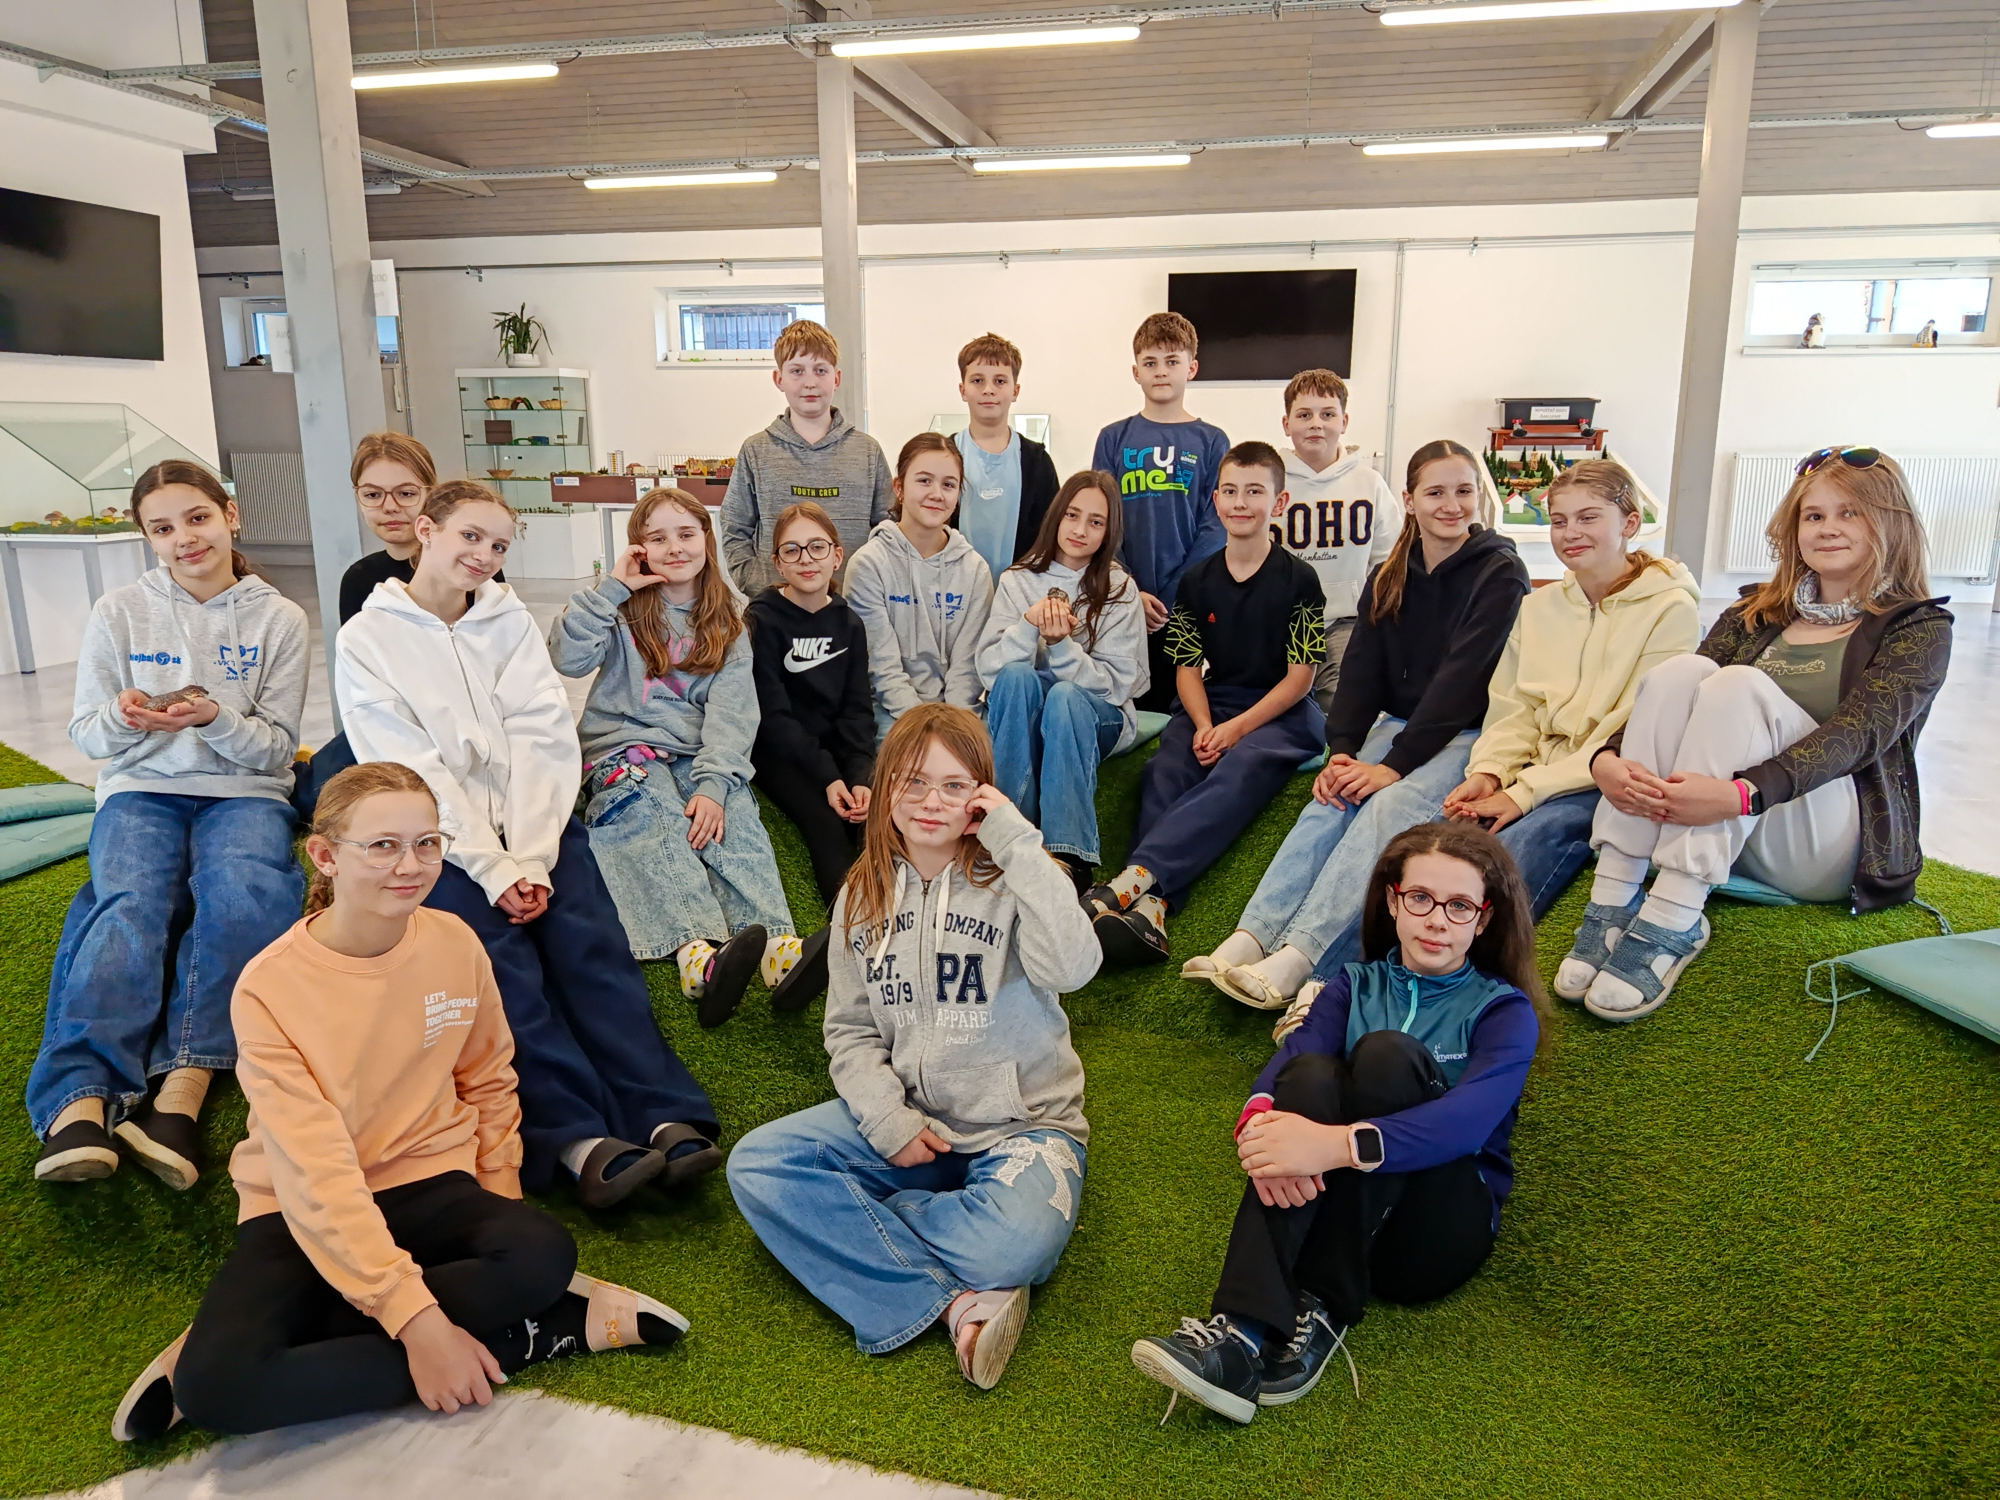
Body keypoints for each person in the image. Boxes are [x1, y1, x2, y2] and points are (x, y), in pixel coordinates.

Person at [110, 764, 689, 1443]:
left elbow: (488, 1078)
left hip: (429, 1179)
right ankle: (525, 1337)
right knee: (216, 1389)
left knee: (541, 1257)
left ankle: (299, 1328)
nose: (410, 866)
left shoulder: (455, 941)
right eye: (382, 845)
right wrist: (420, 1326)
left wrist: (502, 1199)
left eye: (426, 843)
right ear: (325, 855)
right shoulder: (268, 988)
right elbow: (315, 1170)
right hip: (303, 1202)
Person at [336, 480, 721, 1210]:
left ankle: (662, 1112)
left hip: (536, 829)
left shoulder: (507, 620)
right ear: (426, 529)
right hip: (443, 846)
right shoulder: (367, 638)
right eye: (469, 536)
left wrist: (535, 857)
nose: (484, 555)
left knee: (592, 950)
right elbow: (410, 768)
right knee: (504, 976)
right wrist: (491, 866)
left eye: (498, 545)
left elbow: (544, 735)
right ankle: (575, 1142)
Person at [726, 705, 1098, 1391]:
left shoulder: (1016, 878)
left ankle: (864, 1223)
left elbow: (1075, 967)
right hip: (915, 1126)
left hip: (1022, 1128)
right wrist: (888, 1120)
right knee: (759, 1166)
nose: (932, 802)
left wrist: (1017, 843)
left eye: (955, 785)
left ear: (983, 795)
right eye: (914, 781)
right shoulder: (860, 895)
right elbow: (850, 1029)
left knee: (1012, 1244)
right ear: (887, 786)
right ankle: (957, 1304)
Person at [1130, 823, 1546, 1425]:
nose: (1437, 920)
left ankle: (1324, 1301)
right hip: (1330, 1212)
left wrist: (1330, 1145)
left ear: (1483, 921)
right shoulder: (1353, 984)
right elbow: (1287, 1067)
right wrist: (1263, 1137)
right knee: (1308, 1075)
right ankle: (1239, 1337)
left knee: (1387, 1057)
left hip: (1428, 1238)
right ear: (1393, 902)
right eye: (1421, 898)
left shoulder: (1503, 1009)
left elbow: (1464, 1127)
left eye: (1459, 906)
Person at [1559, 446, 1952, 1020]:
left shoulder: (1918, 627)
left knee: (1737, 685)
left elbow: (1860, 734)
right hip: (1728, 833)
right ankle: (1612, 900)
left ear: (1890, 522)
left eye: (1850, 512)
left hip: (1822, 840)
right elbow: (1669, 701)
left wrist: (1742, 794)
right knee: (1684, 672)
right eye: (1813, 515)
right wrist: (1608, 759)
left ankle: (1673, 918)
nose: (1828, 528)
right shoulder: (1755, 611)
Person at [30, 460, 307, 1189]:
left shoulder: (280, 618)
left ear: (230, 516)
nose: (185, 538)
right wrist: (124, 719)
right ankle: (79, 1100)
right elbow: (88, 734)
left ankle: (182, 1089)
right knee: (129, 902)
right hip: (140, 788)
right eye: (162, 528)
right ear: (147, 537)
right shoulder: (118, 611)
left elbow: (279, 748)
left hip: (246, 793)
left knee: (245, 894)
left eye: (198, 517)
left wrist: (214, 718)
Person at [1190, 439, 1530, 1031]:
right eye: (1436, 492)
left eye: (1464, 491)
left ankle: (1299, 957)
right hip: (1394, 727)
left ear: (1479, 496)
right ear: (1409, 500)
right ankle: (1252, 937)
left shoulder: (1500, 571)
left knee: (1387, 809)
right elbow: (1361, 671)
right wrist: (1343, 752)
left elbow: (1461, 679)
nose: (1451, 505)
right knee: (1329, 802)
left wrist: (1390, 767)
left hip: (1465, 733)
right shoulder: (1388, 571)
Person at [550, 487, 827, 1027]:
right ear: (638, 548)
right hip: (622, 749)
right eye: (657, 538)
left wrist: (715, 785)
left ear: (707, 538)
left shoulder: (731, 619)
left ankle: (777, 947)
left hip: (694, 751)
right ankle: (695, 954)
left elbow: (733, 713)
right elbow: (567, 658)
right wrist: (612, 588)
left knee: (734, 819)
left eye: (685, 533)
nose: (675, 547)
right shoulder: (619, 607)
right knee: (652, 818)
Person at [1085, 442, 1325, 966]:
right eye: (1231, 491)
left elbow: (1300, 678)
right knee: (1165, 769)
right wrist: (1201, 723)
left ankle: (1135, 879)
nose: (1241, 502)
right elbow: (1187, 668)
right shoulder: (1197, 581)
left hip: (1281, 712)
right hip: (1213, 702)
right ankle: (1152, 911)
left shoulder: (1301, 580)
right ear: (1215, 500)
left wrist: (1234, 731)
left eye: (1255, 492)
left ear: (1279, 503)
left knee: (1238, 770)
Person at [1436, 460, 1701, 923]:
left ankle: (1466, 960)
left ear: (1630, 523)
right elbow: (1515, 707)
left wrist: (1525, 793)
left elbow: (1631, 731)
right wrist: (1492, 772)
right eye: (1559, 521)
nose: (1570, 532)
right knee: (1434, 843)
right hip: (1536, 768)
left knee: (1515, 849)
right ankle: (1359, 964)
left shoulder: (1670, 608)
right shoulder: (1538, 607)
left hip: (1602, 779)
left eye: (1588, 517)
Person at [300, 433, 488, 821]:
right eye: (373, 495)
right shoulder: (359, 578)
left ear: (431, 494)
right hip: (391, 719)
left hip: (462, 720)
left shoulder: (469, 567)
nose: (389, 507)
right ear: (358, 497)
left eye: (405, 493)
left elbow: (488, 665)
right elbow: (362, 678)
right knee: (309, 796)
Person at [977, 471, 1148, 894]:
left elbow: (1118, 685)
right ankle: (1007, 833)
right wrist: (1026, 628)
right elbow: (991, 671)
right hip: (1028, 704)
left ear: (1109, 531)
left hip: (1097, 714)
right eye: (1072, 515)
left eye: (1095, 521)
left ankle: (1069, 855)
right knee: (1016, 675)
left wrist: (1061, 647)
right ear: (1056, 515)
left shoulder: (1121, 588)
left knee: (1065, 696)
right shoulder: (1017, 579)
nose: (1080, 530)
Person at [1092, 311, 1230, 713]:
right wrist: (1128, 588)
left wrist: (1173, 596)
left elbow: (1215, 525)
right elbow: (1101, 518)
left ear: (1192, 368)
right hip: (1122, 599)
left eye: (1172, 361)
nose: (1161, 371)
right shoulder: (1113, 438)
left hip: (1185, 603)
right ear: (1136, 372)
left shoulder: (1212, 441)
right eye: (1150, 362)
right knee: (1126, 705)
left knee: (1178, 708)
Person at [745, 501, 879, 905]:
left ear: (837, 556)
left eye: (817, 547)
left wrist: (859, 776)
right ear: (778, 563)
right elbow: (773, 717)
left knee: (873, 819)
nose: (806, 558)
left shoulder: (850, 624)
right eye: (792, 549)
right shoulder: (763, 620)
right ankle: (848, 922)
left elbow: (858, 710)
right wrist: (828, 778)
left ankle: (899, 913)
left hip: (835, 749)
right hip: (782, 754)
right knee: (826, 824)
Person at [721, 319, 895, 595]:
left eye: (820, 370)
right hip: (776, 609)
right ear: (779, 379)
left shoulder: (867, 452)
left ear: (836, 378)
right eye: (797, 371)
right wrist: (756, 584)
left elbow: (888, 528)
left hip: (853, 605)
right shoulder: (756, 451)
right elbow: (734, 526)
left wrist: (874, 587)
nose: (810, 382)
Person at [1270, 370, 1403, 717]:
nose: (1316, 423)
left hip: (1346, 622)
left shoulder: (1370, 484)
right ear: (1286, 424)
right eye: (1304, 414)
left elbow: (1389, 561)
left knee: (1344, 706)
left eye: (1327, 414)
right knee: (1276, 706)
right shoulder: (1269, 482)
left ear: (1344, 422)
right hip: (1281, 623)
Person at [845, 433, 995, 738]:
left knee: (976, 759)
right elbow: (882, 669)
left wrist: (951, 729)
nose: (937, 494)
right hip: (890, 713)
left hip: (958, 714)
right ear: (899, 488)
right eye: (924, 481)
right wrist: (922, 728)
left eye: (948, 485)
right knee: (916, 759)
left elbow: (967, 670)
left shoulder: (975, 570)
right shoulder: (869, 565)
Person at [951, 331, 1062, 582]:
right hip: (954, 592)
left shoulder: (1037, 462)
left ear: (1015, 390)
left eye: (1000, 381)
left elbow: (1051, 535)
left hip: (1021, 592)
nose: (988, 390)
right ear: (963, 390)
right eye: (977, 380)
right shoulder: (945, 455)